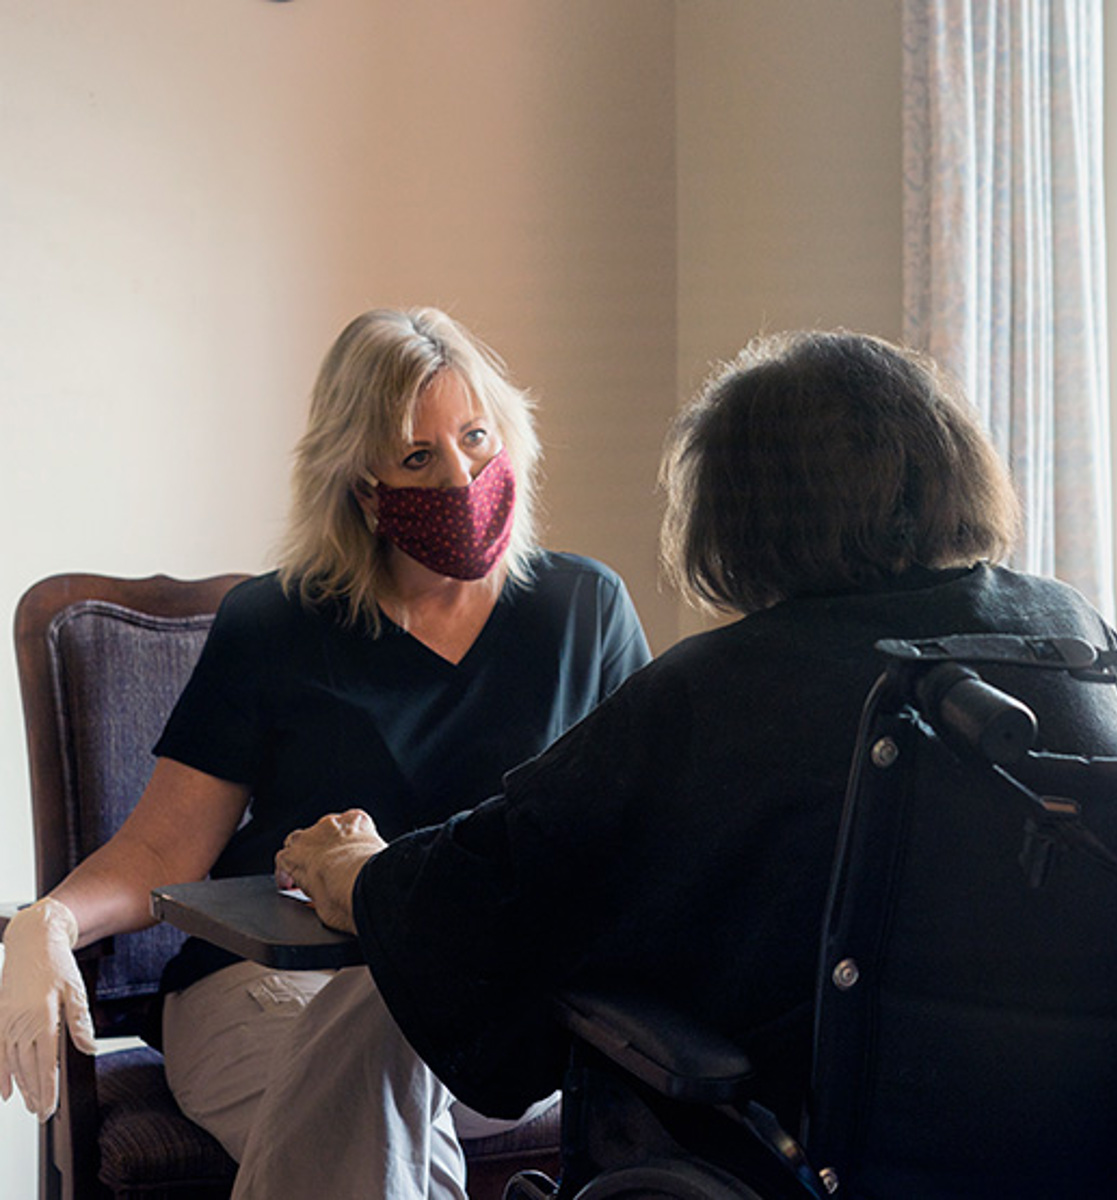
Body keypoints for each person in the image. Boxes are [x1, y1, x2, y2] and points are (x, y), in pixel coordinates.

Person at [276, 330, 1117, 1196]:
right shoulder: (1073, 634)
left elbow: (501, 884)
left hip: (802, 1153)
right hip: (1102, 1152)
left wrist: (364, 874)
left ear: (735, 511)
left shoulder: (720, 685)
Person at [0, 307, 651, 1198]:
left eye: (474, 438)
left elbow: (638, 843)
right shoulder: (274, 622)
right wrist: (51, 923)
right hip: (262, 993)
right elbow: (163, 851)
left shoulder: (584, 611)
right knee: (366, 1071)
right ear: (360, 484)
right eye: (418, 457)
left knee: (382, 1063)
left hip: (489, 1015)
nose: (461, 476)